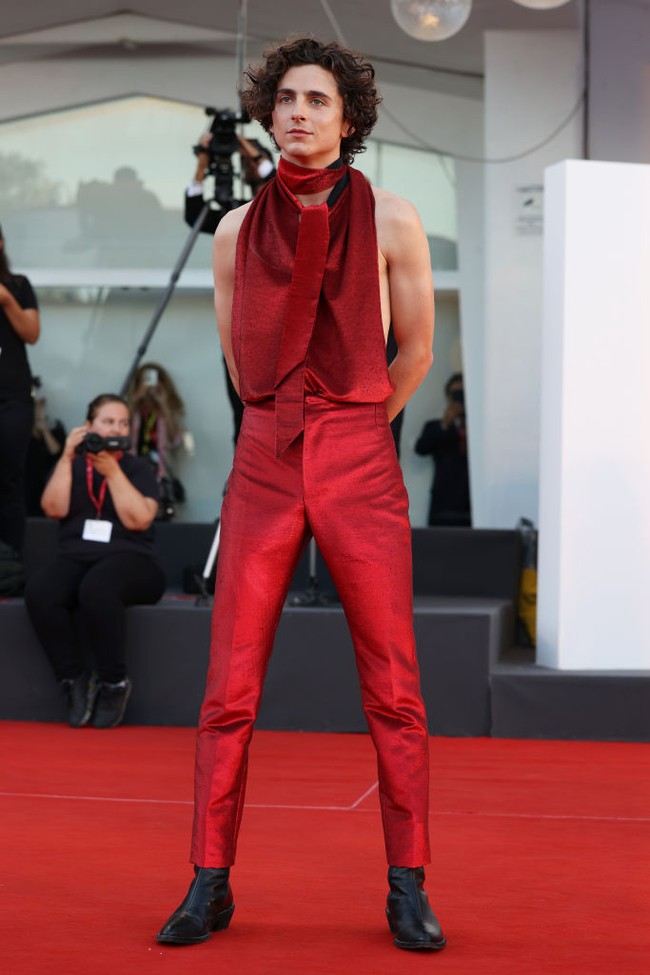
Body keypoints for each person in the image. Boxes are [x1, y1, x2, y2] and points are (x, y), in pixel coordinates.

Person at [158, 37, 445, 953]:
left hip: (358, 453)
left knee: (394, 685)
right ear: (268, 111)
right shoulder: (238, 229)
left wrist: (356, 422)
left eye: (318, 99)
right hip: (264, 454)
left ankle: (408, 885)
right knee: (228, 685)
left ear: (349, 117)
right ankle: (209, 879)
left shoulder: (396, 219)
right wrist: (283, 428)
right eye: (286, 98)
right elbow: (240, 364)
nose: (298, 111)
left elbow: (417, 354)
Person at [24, 394, 166, 729]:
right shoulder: (72, 465)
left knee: (97, 589)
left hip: (134, 560)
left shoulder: (137, 467)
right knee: (41, 592)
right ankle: (72, 679)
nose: (115, 428)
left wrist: (113, 472)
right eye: (107, 422)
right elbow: (53, 509)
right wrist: (65, 458)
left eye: (121, 423)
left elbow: (140, 520)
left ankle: (113, 683)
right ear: (88, 426)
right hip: (77, 556)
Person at [185, 132, 276, 445]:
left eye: (251, 159)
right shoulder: (236, 215)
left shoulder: (286, 202)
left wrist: (244, 145)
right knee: (244, 412)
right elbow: (194, 215)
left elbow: (273, 177)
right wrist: (202, 164)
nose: (247, 165)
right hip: (245, 327)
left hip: (279, 325)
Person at [0, 224, 40, 555]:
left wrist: (6, 300)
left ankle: (10, 564)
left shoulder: (17, 286)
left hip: (12, 397)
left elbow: (32, 333)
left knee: (11, 477)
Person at [125, 362, 187, 519]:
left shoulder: (169, 410)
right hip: (132, 474)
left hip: (160, 475)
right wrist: (136, 398)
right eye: (145, 380)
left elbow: (177, 441)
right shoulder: (129, 410)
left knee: (161, 518)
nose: (150, 384)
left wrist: (163, 404)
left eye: (154, 379)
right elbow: (121, 435)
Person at [415, 372, 471, 527]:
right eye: (455, 394)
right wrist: (445, 424)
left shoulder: (480, 431)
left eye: (463, 393)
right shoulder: (435, 426)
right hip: (444, 505)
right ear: (448, 397)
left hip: (474, 504)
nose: (459, 398)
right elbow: (420, 449)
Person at [25, 378, 66, 516]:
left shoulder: (56, 431)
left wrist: (43, 428)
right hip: (23, 499)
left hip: (48, 498)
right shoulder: (16, 433)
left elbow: (59, 457)